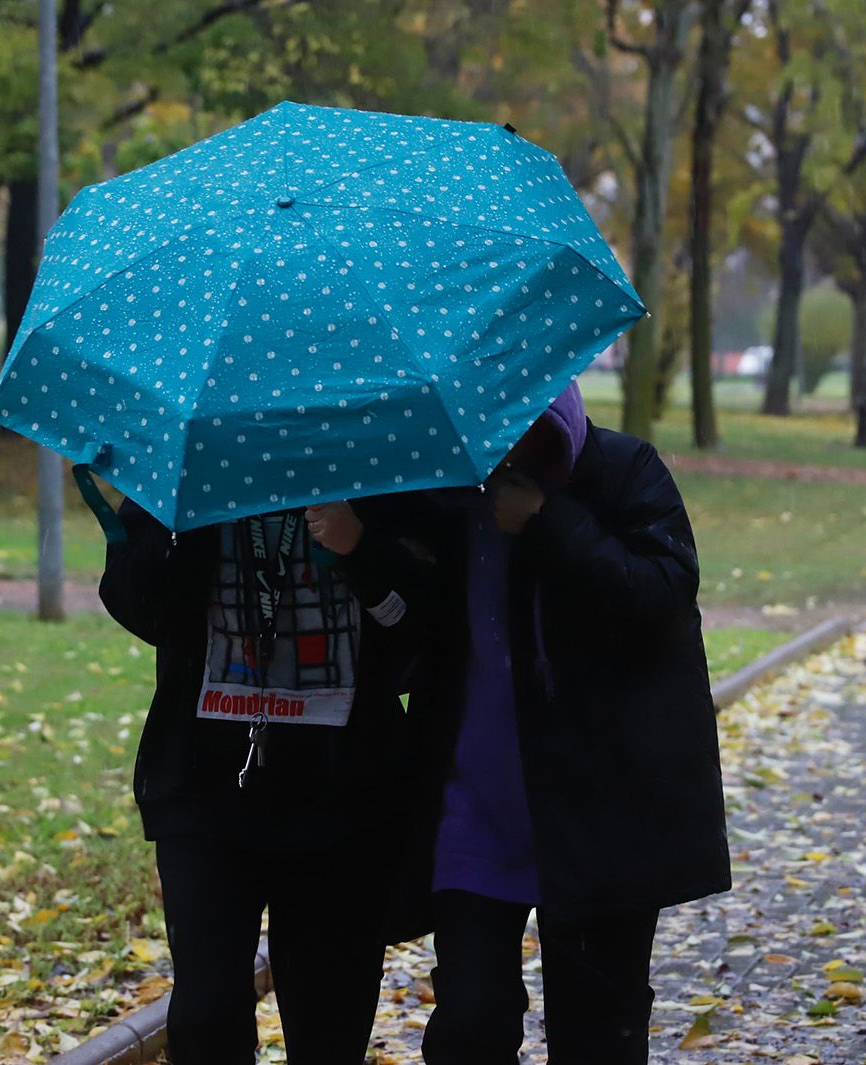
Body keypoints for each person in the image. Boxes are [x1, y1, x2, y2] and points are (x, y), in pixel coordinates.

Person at [402, 383, 732, 1064]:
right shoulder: (445, 490)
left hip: (598, 815)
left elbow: (662, 596)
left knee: (597, 1030)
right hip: (475, 806)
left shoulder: (623, 470)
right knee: (471, 1021)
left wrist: (550, 520)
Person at [98, 493, 432, 1064]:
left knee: (329, 1024)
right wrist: (189, 529)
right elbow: (138, 606)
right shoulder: (191, 470)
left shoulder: (378, 476)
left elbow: (423, 627)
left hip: (342, 796)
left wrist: (360, 547)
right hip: (205, 789)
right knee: (205, 1017)